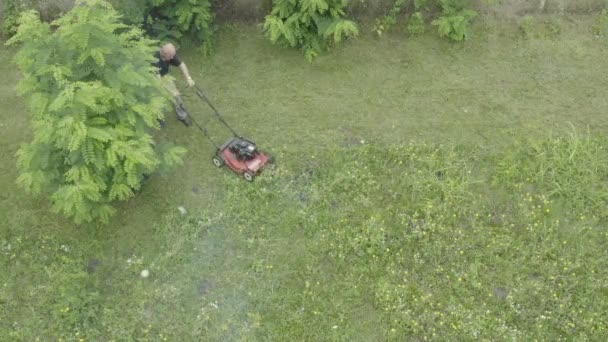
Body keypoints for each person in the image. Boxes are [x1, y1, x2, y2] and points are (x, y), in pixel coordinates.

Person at [153, 43, 196, 127]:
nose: (172, 58)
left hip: (164, 75)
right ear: (164, 54)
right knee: (156, 98)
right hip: (153, 78)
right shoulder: (154, 59)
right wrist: (171, 92)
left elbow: (182, 65)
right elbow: (158, 82)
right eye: (171, 56)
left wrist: (188, 78)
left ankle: (182, 116)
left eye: (173, 55)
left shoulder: (170, 54)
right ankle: (158, 116)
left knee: (176, 98)